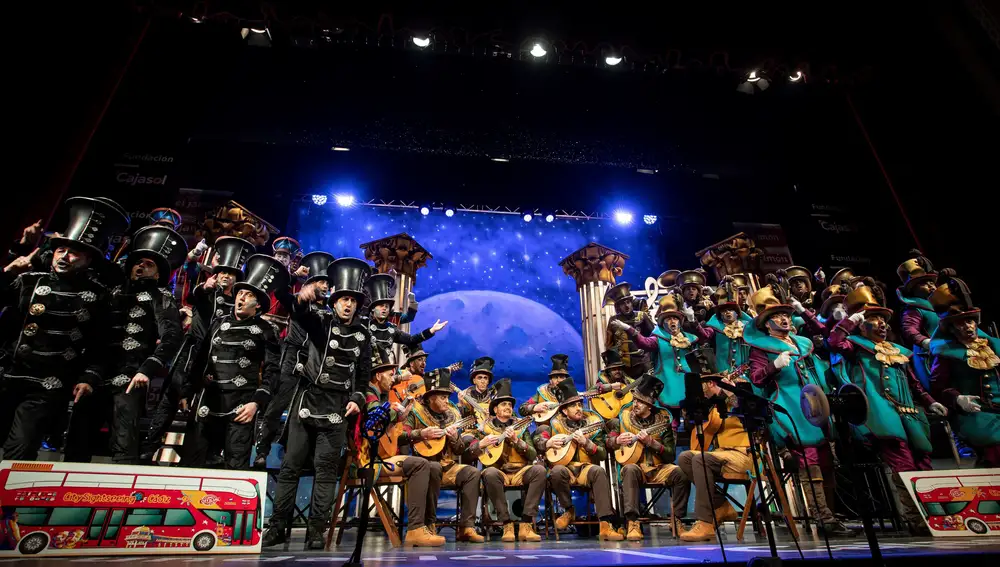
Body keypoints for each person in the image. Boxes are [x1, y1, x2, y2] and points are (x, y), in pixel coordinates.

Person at [0, 197, 128, 461]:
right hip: (8, 374)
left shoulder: (98, 295)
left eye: (73, 253)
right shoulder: (28, 281)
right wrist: (9, 268)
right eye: (60, 251)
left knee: (20, 449)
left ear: (89, 259)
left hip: (48, 384)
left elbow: (100, 344)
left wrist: (89, 377)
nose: (64, 257)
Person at [263, 258, 372, 549]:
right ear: (334, 302)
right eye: (344, 299)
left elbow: (363, 374)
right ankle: (278, 527)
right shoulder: (320, 321)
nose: (348, 304)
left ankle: (315, 532)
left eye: (353, 301)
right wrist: (301, 298)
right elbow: (293, 307)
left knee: (325, 471)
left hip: (337, 407)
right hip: (307, 400)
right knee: (291, 466)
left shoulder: (364, 335)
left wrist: (357, 399)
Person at [827, 285, 948, 534]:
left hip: (909, 411)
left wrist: (930, 401)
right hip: (881, 413)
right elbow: (835, 342)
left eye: (883, 319)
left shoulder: (897, 351)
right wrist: (850, 321)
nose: (881, 323)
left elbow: (913, 382)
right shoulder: (856, 347)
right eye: (874, 318)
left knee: (923, 460)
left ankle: (937, 515)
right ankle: (916, 518)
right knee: (902, 463)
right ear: (862, 325)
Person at [65, 225, 185, 464]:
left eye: (148, 264)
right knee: (77, 442)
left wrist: (146, 370)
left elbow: (172, 336)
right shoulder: (111, 294)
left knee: (124, 444)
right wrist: (87, 376)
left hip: (130, 378)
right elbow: (94, 336)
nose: (141, 267)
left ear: (158, 274)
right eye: (138, 262)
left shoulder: (160, 297)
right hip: (95, 376)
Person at [744, 284, 854, 536]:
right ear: (767, 324)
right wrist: (774, 365)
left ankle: (831, 514)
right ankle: (822, 518)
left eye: (785, 314)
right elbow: (756, 378)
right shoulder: (761, 348)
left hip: (816, 404)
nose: (784, 319)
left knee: (827, 461)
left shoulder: (802, 343)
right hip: (791, 406)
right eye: (777, 316)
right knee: (809, 460)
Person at [140, 236, 256, 461]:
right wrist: (204, 286)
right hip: (191, 352)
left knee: (208, 405)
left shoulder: (237, 305)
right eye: (222, 273)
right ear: (216, 275)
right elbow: (193, 293)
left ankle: (203, 453)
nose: (225, 276)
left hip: (216, 360)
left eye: (230, 274)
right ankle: (149, 446)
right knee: (170, 399)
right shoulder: (205, 293)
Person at [184, 254, 284, 469]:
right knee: (194, 462)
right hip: (208, 401)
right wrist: (187, 391)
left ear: (258, 304)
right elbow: (200, 359)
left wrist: (256, 403)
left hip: (241, 405)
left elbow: (272, 371)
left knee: (235, 467)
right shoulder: (218, 323)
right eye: (240, 293)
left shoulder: (266, 330)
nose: (241, 298)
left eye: (248, 295)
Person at [253, 250, 335, 468]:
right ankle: (262, 451)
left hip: (315, 364)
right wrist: (294, 278)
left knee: (310, 410)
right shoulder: (297, 301)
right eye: (320, 281)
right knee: (278, 404)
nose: (325, 286)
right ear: (310, 284)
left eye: (327, 283)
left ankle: (302, 455)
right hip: (293, 357)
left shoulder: (331, 312)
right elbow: (279, 291)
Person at [360, 344, 445, 547]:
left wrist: (406, 424)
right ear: (378, 375)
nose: (394, 379)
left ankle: (428, 525)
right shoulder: (368, 394)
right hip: (368, 461)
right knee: (420, 464)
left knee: (434, 466)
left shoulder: (380, 396)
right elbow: (375, 416)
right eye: (391, 375)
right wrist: (396, 412)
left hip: (382, 455)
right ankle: (415, 529)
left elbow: (390, 434)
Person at [401, 367, 484, 543]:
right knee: (433, 467)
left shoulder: (453, 413)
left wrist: (455, 438)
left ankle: (467, 527)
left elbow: (460, 450)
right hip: (423, 468)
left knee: (473, 473)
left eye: (447, 397)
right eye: (442, 397)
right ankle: (429, 525)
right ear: (431, 397)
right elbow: (400, 437)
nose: (447, 401)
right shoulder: (415, 411)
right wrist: (421, 434)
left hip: (449, 467)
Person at [534, 378, 622, 541]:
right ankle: (569, 510)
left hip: (585, 469)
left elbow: (602, 454)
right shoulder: (553, 426)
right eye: (574, 405)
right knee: (556, 471)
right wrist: (547, 443)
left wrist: (587, 443)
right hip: (565, 470)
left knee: (598, 471)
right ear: (564, 411)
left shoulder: (593, 424)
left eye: (580, 404)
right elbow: (538, 442)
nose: (579, 408)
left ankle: (605, 524)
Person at [928, 278, 1000, 467]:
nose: (967, 326)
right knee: (994, 449)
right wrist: (957, 399)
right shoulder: (947, 354)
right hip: (976, 414)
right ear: (952, 329)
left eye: (969, 321)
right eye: (960, 323)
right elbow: (938, 388)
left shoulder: (993, 347)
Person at [608, 374, 689, 540]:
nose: (635, 404)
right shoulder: (622, 418)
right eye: (635, 400)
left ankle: (677, 519)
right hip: (636, 469)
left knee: (681, 473)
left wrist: (652, 443)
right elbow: (608, 443)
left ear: (650, 406)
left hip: (658, 468)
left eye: (640, 401)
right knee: (629, 469)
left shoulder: (663, 421)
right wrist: (616, 440)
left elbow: (670, 455)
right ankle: (633, 522)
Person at [611, 293, 712, 419]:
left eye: (675, 318)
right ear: (663, 324)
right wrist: (629, 329)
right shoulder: (658, 339)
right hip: (667, 382)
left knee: (693, 416)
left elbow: (704, 337)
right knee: (670, 417)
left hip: (688, 382)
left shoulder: (688, 338)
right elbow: (644, 343)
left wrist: (693, 320)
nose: (672, 321)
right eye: (668, 319)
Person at [676, 374, 752, 542]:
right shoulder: (713, 404)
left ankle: (705, 522)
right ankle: (721, 505)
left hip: (744, 453)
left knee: (700, 459)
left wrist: (731, 394)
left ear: (710, 383)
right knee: (685, 458)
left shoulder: (740, 393)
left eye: (703, 388)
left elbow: (749, 411)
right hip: (723, 453)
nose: (702, 393)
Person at [471, 378, 545, 542]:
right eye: (503, 404)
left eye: (510, 405)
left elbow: (532, 454)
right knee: (489, 473)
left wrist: (517, 441)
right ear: (495, 409)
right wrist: (481, 444)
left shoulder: (521, 426)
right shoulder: (485, 427)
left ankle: (526, 524)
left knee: (539, 471)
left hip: (520, 471)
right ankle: (506, 524)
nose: (508, 407)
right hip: (499, 472)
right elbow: (471, 451)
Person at [362, 273, 447, 355]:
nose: (384, 308)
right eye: (381, 306)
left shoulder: (392, 326)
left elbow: (411, 337)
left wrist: (431, 330)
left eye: (386, 306)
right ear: (373, 308)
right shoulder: (363, 325)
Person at [896, 253, 944, 390]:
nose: (931, 286)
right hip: (929, 355)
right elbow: (909, 329)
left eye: (932, 283)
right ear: (913, 289)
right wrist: (924, 342)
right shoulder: (914, 308)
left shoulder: (941, 306)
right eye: (924, 283)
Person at [604, 282, 655, 379]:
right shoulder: (613, 320)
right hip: (624, 365)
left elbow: (654, 337)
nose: (626, 306)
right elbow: (609, 344)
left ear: (632, 303)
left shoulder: (642, 316)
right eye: (622, 304)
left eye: (628, 302)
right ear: (618, 306)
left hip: (644, 362)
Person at [704, 276, 753, 376]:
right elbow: (704, 335)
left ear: (737, 313)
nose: (727, 312)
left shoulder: (746, 326)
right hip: (723, 370)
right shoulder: (715, 327)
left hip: (744, 372)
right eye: (724, 311)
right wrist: (694, 323)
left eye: (730, 310)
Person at [519, 354, 570, 418]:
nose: (559, 380)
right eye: (555, 377)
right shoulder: (543, 392)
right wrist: (534, 407)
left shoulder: (572, 394)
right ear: (550, 380)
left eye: (562, 377)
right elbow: (522, 408)